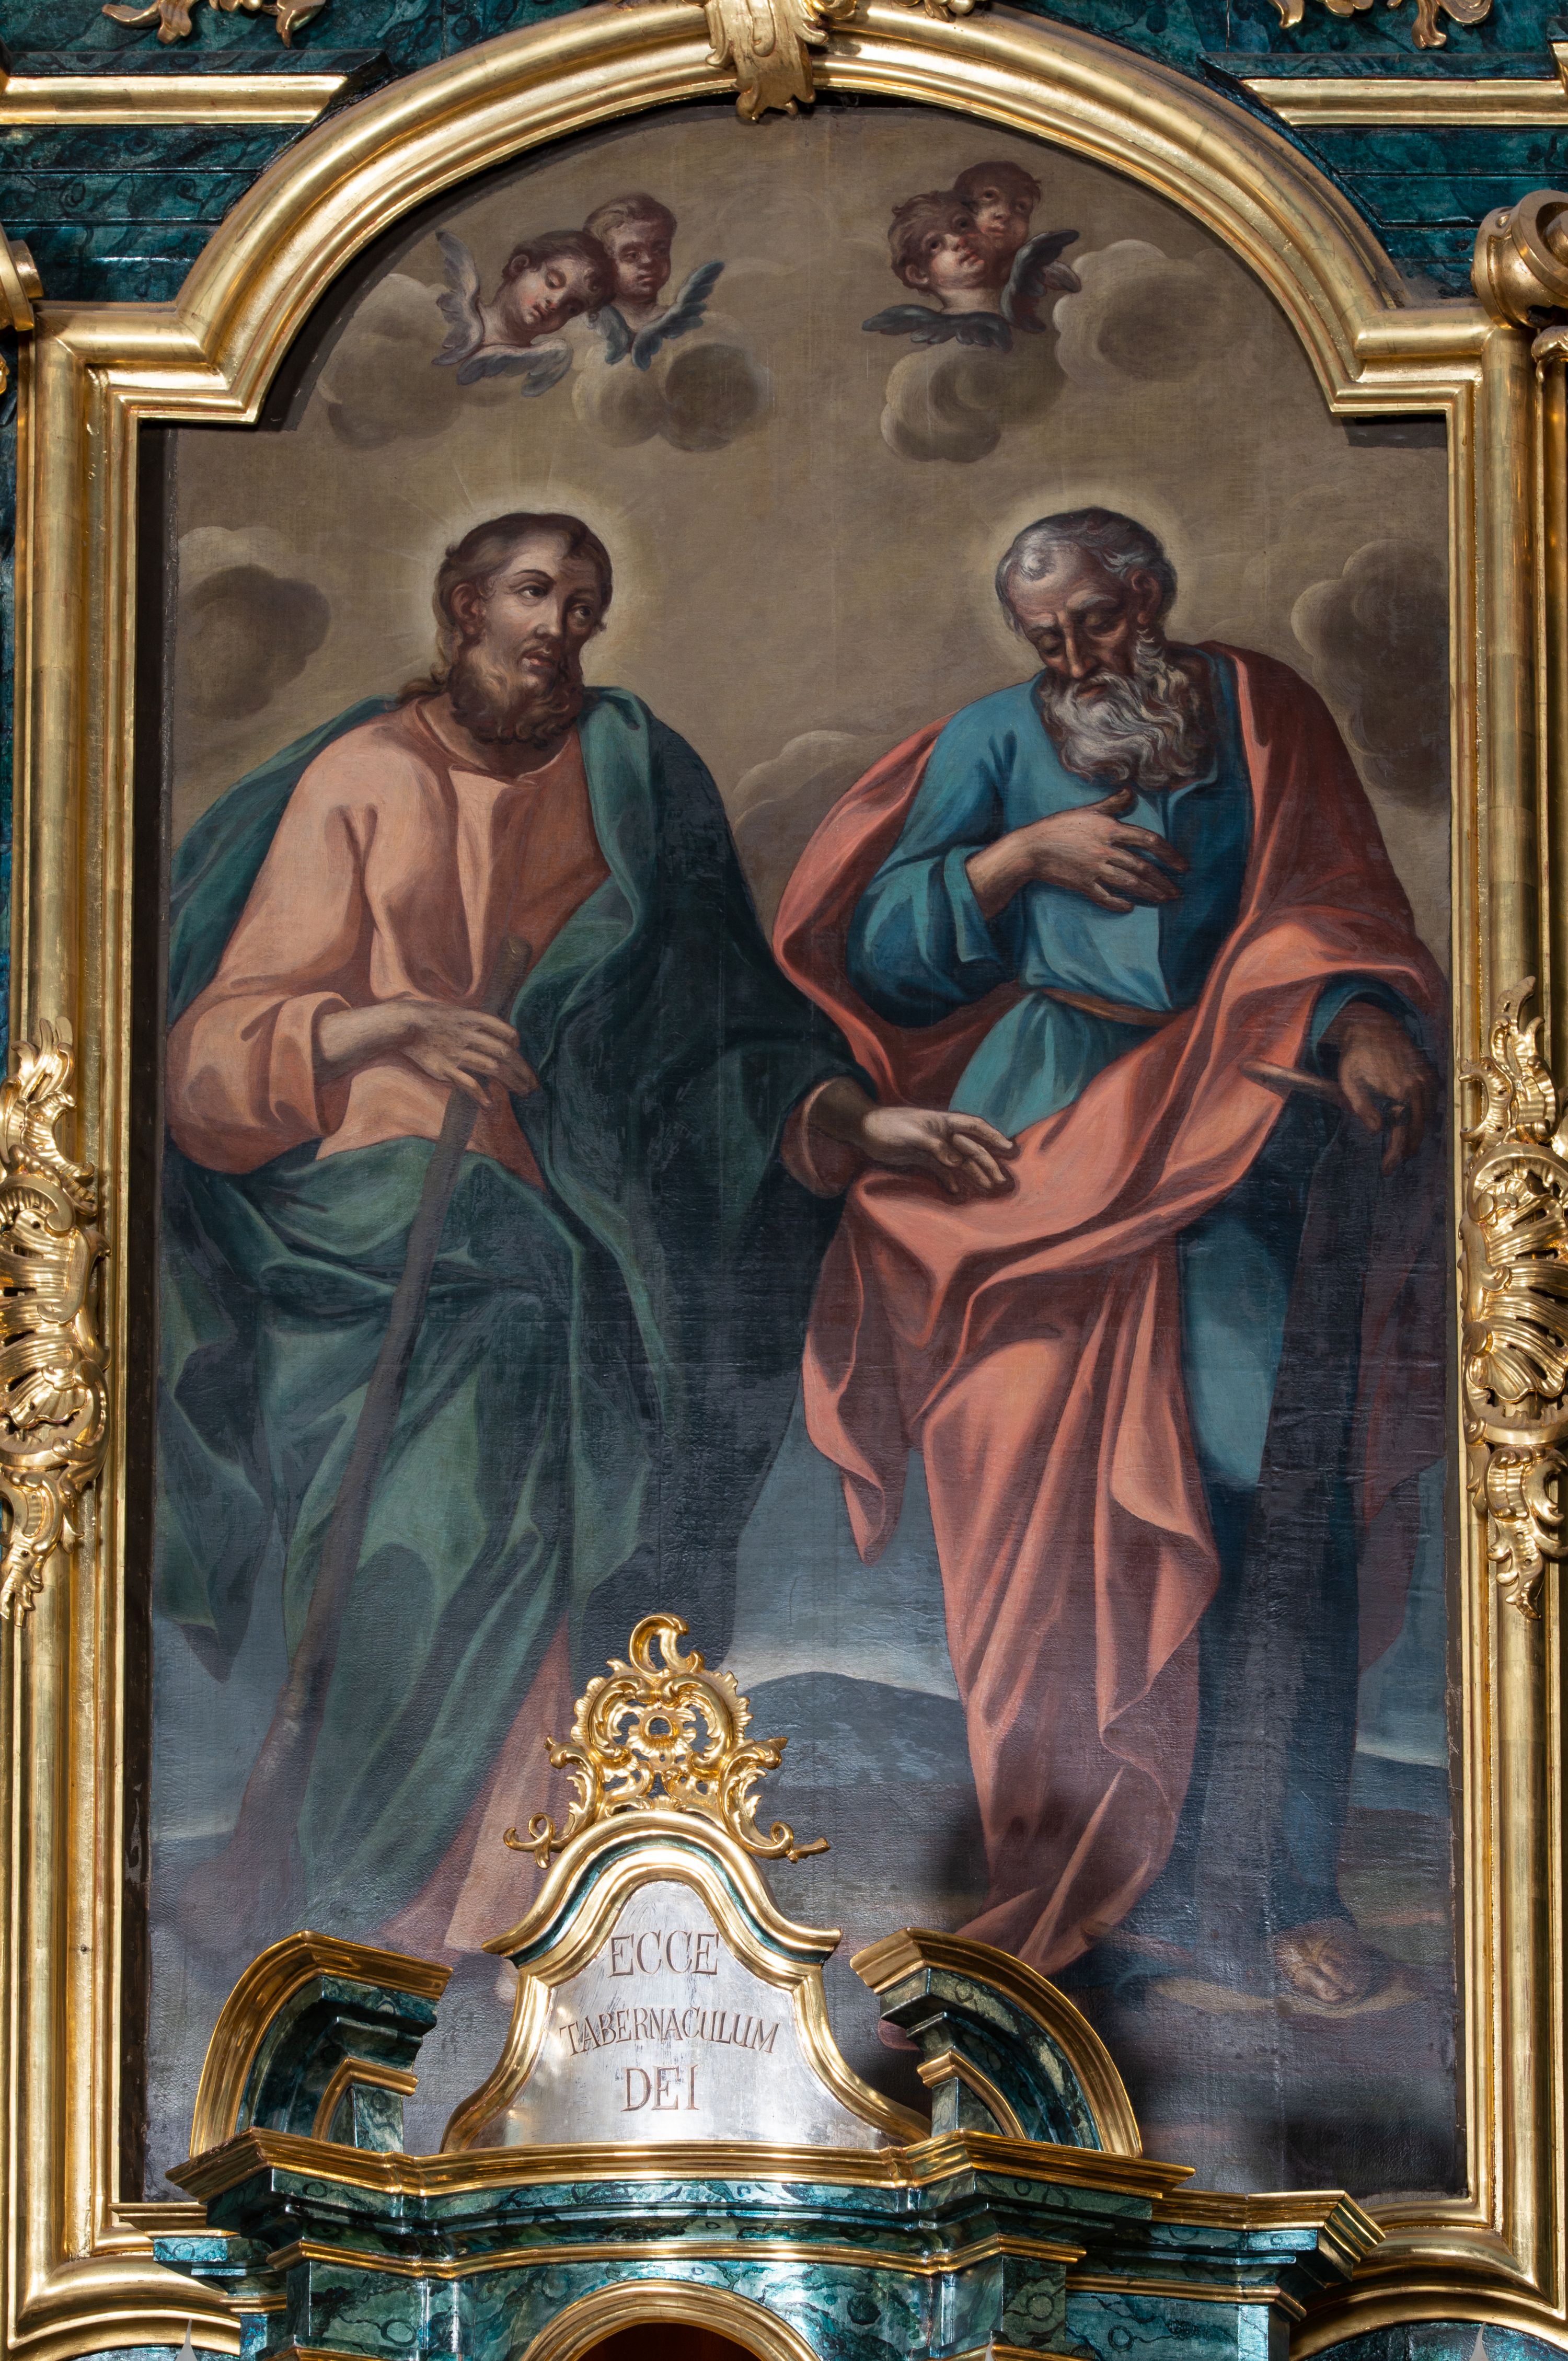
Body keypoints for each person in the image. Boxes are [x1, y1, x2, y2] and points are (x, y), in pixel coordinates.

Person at [161, 510, 1008, 1958]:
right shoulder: (361, 779)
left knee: (558, 1328)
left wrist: (853, 1123)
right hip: (368, 1225)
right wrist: (388, 1023)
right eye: (533, 593)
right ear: (463, 608)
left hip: (577, 1229)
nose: (559, 628)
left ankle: (517, 1895)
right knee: (457, 1445)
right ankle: (366, 1891)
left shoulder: (631, 778)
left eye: (583, 605)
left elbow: (723, 1034)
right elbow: (207, 1067)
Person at [775, 507, 1446, 2008]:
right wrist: (1018, 857)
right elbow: (880, 954)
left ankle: (1283, 1891)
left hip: (1228, 1138)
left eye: (1096, 619)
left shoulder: (1262, 711)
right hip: (1040, 1139)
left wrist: (1356, 1013)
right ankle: (1085, 1879)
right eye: (1047, 636)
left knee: (1272, 1503)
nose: (1076, 656)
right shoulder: (994, 739)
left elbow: (1329, 903)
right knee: (1036, 1509)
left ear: (1150, 593)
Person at [583, 192, 676, 329]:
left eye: (660, 251)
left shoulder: (682, 320)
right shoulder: (586, 329)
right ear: (602, 264)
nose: (649, 261)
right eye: (633, 255)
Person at [951, 159, 1042, 280]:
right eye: (989, 196)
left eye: (1021, 206)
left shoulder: (1037, 274)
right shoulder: (943, 264)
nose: (1005, 213)